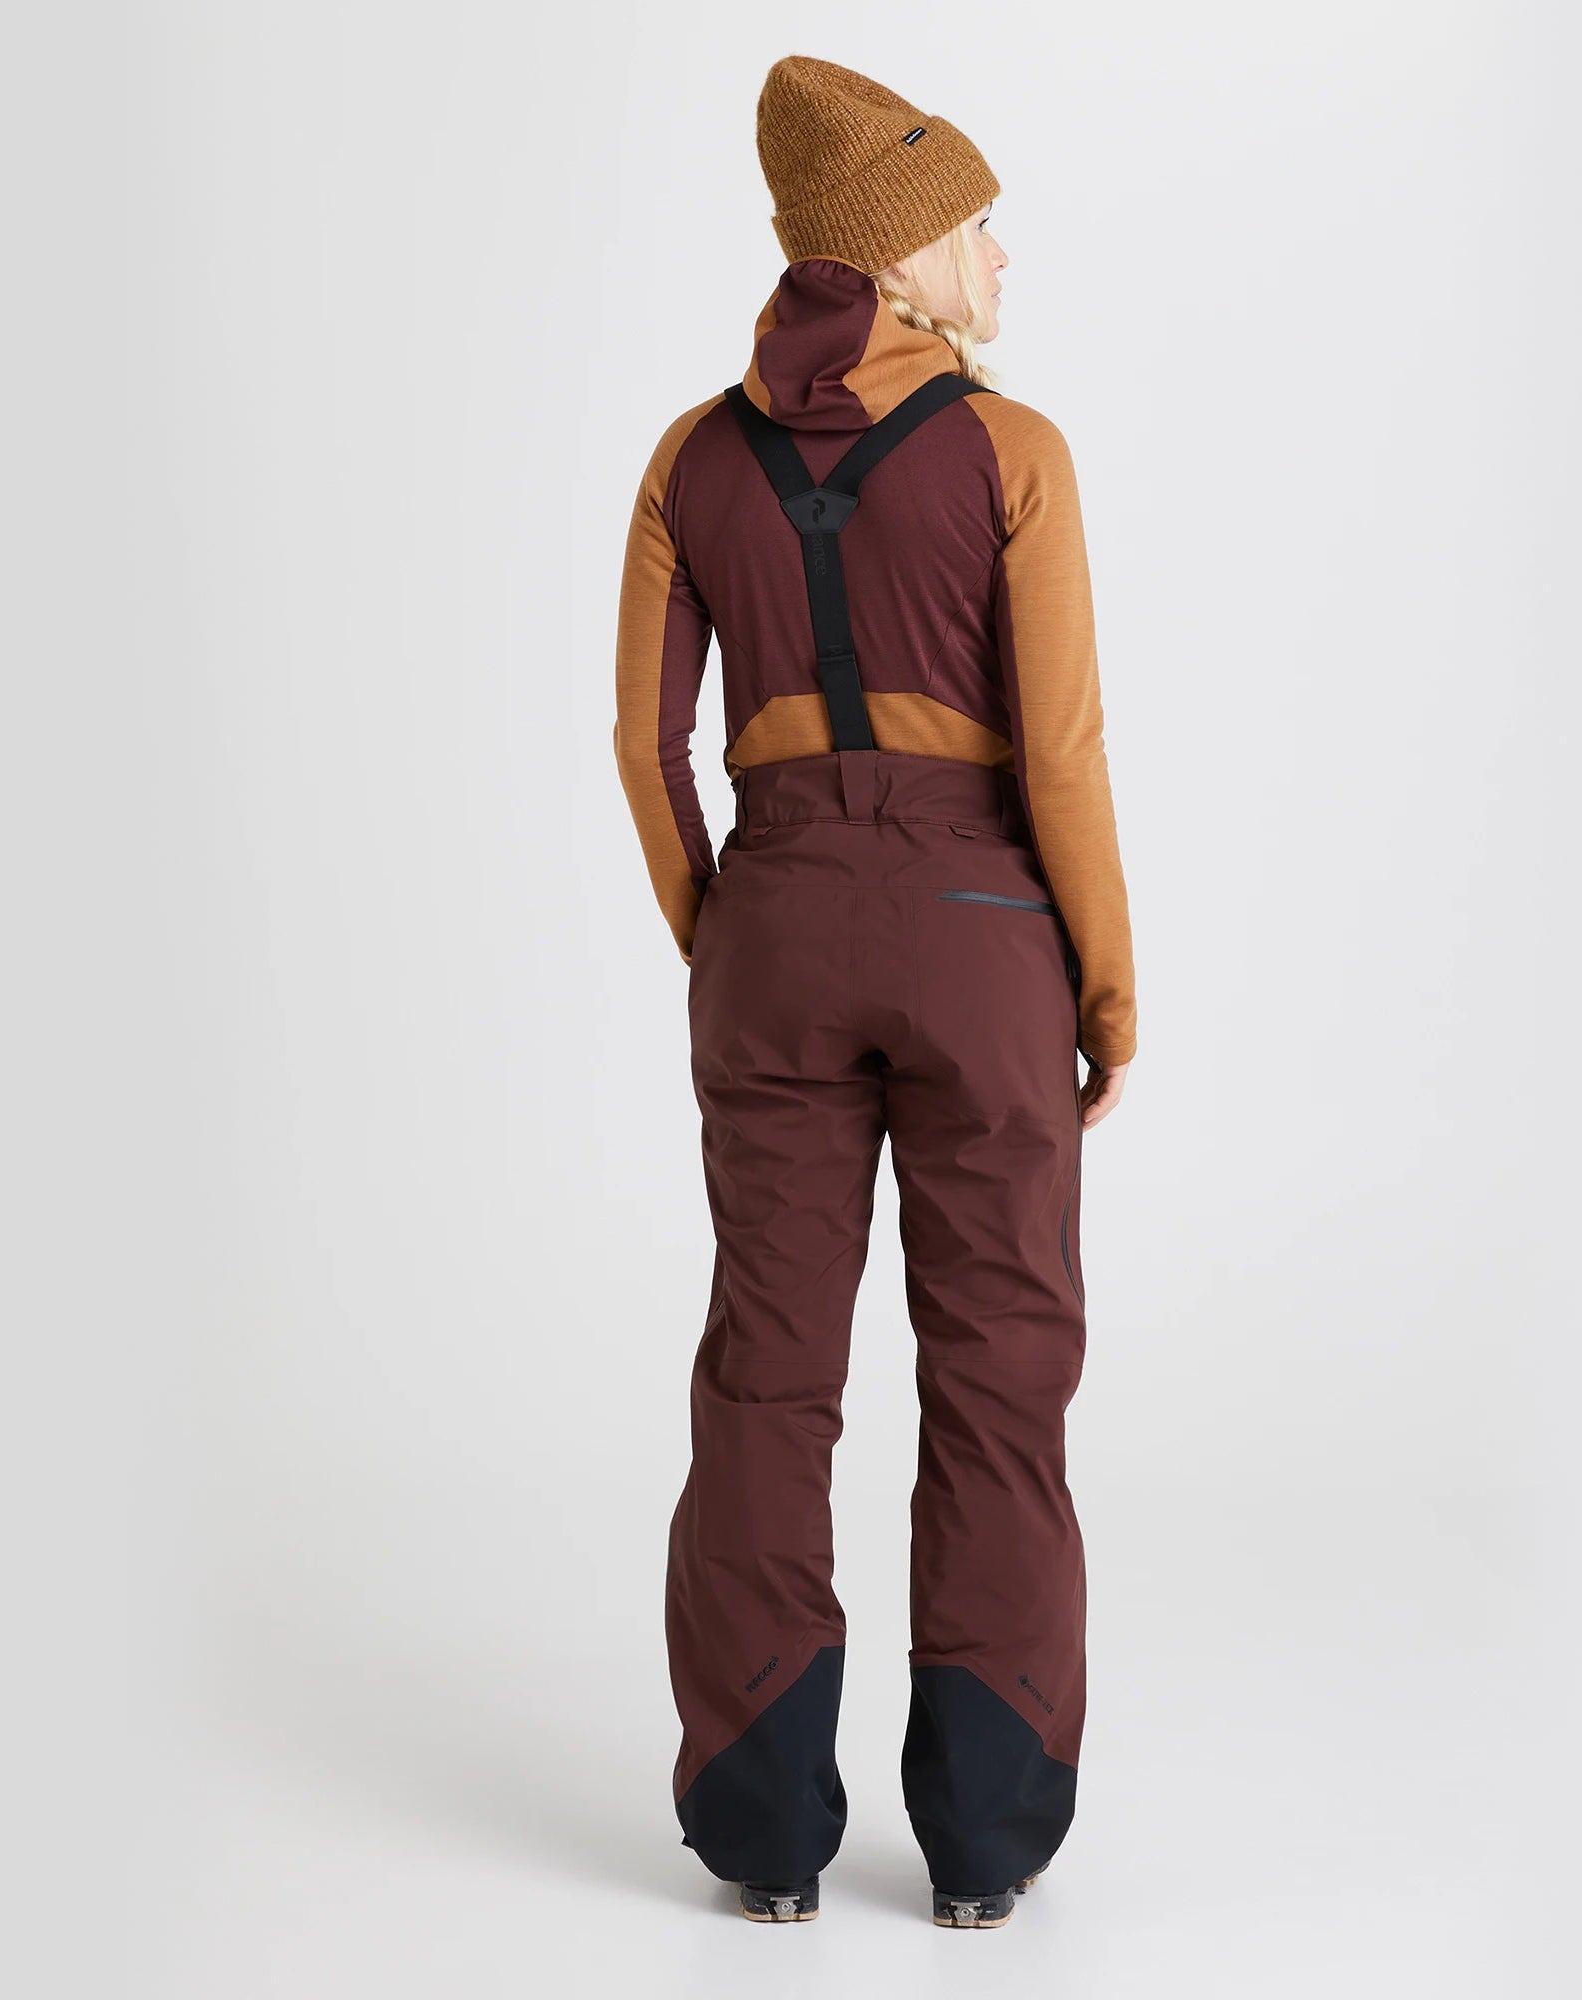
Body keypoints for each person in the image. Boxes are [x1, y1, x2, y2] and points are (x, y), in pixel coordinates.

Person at [613, 53, 1137, 1931]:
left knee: (768, 1369)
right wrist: (1105, 986)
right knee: (997, 1368)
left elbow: (644, 746)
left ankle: (760, 1831)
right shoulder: (1013, 452)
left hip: (767, 922)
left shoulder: (690, 458)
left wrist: (726, 927)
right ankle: (985, 1843)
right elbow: (1057, 754)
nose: (1002, 255)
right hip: (983, 925)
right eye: (978, 224)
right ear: (904, 252)